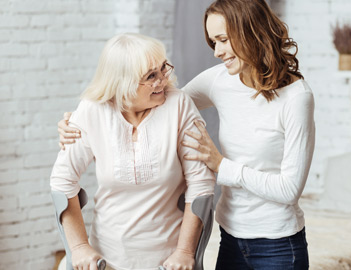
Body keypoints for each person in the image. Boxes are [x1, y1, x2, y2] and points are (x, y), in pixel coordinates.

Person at [58, 0, 315, 269]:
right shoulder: (220, 79)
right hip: (231, 235)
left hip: (277, 243)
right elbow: (163, 102)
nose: (217, 52)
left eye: (223, 40)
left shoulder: (297, 98)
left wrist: (221, 165)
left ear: (250, 31)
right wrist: (79, 122)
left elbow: (289, 190)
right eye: (212, 42)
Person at [51, 33, 215, 270]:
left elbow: (201, 184)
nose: (163, 81)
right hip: (106, 259)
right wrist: (78, 248)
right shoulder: (92, 110)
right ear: (122, 82)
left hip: (169, 261)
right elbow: (62, 180)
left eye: (162, 69)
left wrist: (185, 252)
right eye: (151, 76)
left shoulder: (179, 105)